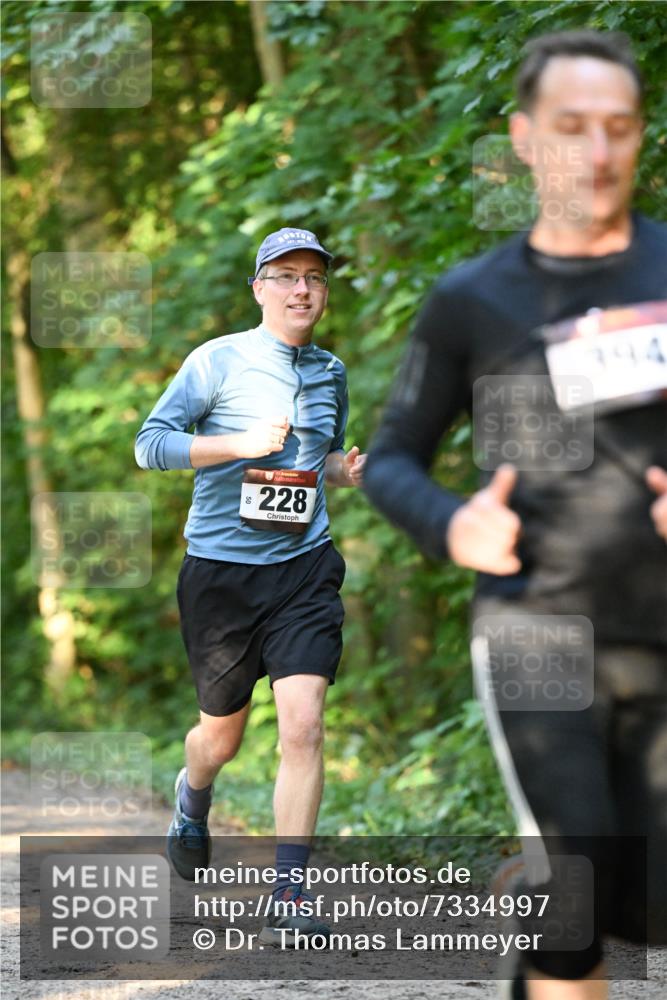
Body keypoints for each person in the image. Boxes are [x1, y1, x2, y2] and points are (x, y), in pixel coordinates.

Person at [363, 30, 666, 1000]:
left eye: (619, 126)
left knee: (643, 909)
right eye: (572, 126)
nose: (599, 150)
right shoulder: (472, 300)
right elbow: (391, 459)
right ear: (525, 138)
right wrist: (451, 525)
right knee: (577, 899)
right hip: (535, 623)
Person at [135, 227, 365, 944]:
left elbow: (315, 459)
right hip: (221, 579)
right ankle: (191, 795)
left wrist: (339, 472)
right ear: (259, 287)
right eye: (287, 276)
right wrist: (236, 445)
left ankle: (289, 893)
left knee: (303, 724)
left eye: (314, 279)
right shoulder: (216, 362)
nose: (302, 290)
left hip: (304, 570)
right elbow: (151, 444)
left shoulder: (330, 371)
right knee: (219, 739)